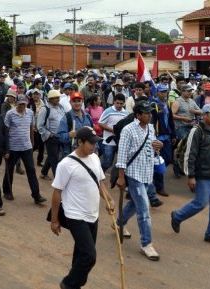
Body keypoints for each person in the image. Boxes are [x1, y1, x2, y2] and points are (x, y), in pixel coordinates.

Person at [50, 127, 115, 289]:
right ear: (80, 142)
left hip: (93, 214)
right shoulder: (66, 164)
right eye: (91, 143)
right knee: (89, 256)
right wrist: (54, 220)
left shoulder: (94, 158)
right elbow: (57, 192)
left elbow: (100, 182)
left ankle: (75, 285)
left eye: (95, 143)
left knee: (80, 253)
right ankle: (68, 284)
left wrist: (109, 199)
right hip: (75, 215)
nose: (94, 146)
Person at [171, 103, 210, 247]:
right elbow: (189, 155)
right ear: (205, 115)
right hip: (203, 175)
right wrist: (190, 176)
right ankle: (177, 216)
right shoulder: (196, 131)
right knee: (200, 203)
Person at [115, 101, 163, 261]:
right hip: (133, 173)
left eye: (150, 113)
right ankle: (146, 244)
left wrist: (158, 146)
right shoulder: (128, 130)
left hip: (147, 172)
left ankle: (119, 222)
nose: (149, 115)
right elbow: (121, 154)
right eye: (146, 113)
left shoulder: (150, 128)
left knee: (135, 204)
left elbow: (152, 147)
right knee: (144, 209)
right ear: (138, 115)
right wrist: (121, 177)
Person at [2, 94, 47, 204]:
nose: (22, 106)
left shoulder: (30, 113)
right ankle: (7, 192)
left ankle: (36, 195)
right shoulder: (10, 114)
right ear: (16, 103)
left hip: (26, 147)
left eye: (24, 104)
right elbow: (5, 131)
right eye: (20, 104)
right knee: (9, 169)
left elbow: (31, 128)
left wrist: (32, 143)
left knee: (31, 170)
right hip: (13, 147)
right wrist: (6, 149)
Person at [172, 84, 202, 177]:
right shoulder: (177, 102)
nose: (190, 93)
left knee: (188, 149)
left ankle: (183, 168)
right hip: (181, 127)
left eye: (191, 91)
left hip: (191, 127)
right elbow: (172, 115)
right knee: (180, 148)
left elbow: (201, 111)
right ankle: (177, 169)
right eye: (188, 91)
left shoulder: (192, 101)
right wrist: (183, 118)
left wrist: (194, 111)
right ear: (183, 92)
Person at [37, 90, 66, 179]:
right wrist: (49, 135)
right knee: (54, 159)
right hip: (51, 137)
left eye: (58, 97)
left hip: (61, 136)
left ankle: (43, 172)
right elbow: (39, 125)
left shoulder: (60, 107)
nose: (58, 99)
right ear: (50, 99)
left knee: (52, 156)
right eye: (56, 98)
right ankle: (58, 180)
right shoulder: (45, 109)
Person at [98, 93, 128, 174]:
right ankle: (98, 174)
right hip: (108, 142)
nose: (119, 105)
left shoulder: (126, 113)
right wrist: (113, 130)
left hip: (120, 143)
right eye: (117, 103)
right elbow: (100, 123)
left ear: (124, 103)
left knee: (121, 164)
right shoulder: (108, 111)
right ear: (114, 102)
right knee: (107, 163)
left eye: (121, 103)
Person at [57, 92, 94, 156]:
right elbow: (60, 137)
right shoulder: (66, 118)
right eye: (74, 101)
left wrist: (95, 150)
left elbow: (93, 134)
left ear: (82, 102)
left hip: (87, 153)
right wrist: (69, 135)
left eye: (79, 101)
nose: (77, 103)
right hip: (72, 154)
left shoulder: (88, 116)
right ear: (70, 102)